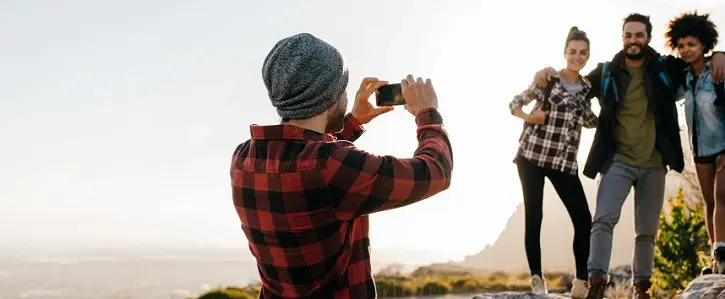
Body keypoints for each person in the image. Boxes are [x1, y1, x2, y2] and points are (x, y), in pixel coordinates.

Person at [230, 33, 453, 299]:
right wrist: (427, 113)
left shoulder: (243, 157)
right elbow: (436, 171)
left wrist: (354, 122)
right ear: (330, 97)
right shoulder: (334, 163)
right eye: (343, 89)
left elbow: (308, 167)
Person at [533, 13, 725, 299]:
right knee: (602, 221)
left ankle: (641, 289)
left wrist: (720, 55)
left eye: (639, 35)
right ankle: (597, 283)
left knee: (646, 232)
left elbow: (696, 62)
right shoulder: (607, 72)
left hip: (653, 163)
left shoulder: (665, 67)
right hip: (617, 160)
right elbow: (573, 86)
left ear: (648, 37)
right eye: (628, 35)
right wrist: (548, 72)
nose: (633, 40)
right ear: (622, 37)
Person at [508, 26, 597, 298]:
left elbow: (588, 120)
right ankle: (536, 278)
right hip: (532, 156)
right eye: (572, 51)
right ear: (565, 53)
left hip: (564, 162)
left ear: (588, 56)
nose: (577, 57)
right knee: (535, 216)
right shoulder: (547, 79)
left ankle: (581, 281)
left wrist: (604, 118)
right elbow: (514, 104)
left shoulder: (587, 89)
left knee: (583, 218)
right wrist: (529, 118)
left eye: (582, 53)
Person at [665, 11, 725, 276]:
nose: (687, 50)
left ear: (704, 45)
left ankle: (724, 255)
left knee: (723, 194)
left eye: (692, 44)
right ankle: (715, 257)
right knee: (709, 202)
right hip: (700, 149)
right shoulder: (686, 78)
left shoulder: (724, 72)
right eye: (682, 45)